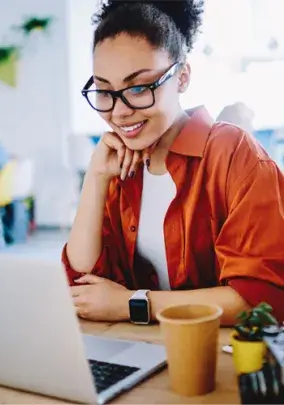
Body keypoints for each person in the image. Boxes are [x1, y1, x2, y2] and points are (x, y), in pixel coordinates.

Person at [62, 0, 284, 325]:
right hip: (143, 349)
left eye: (138, 87)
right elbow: (83, 288)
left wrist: (132, 304)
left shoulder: (233, 152)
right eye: (105, 91)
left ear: (181, 77)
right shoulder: (120, 166)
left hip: (219, 357)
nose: (119, 111)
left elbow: (264, 299)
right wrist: (95, 178)